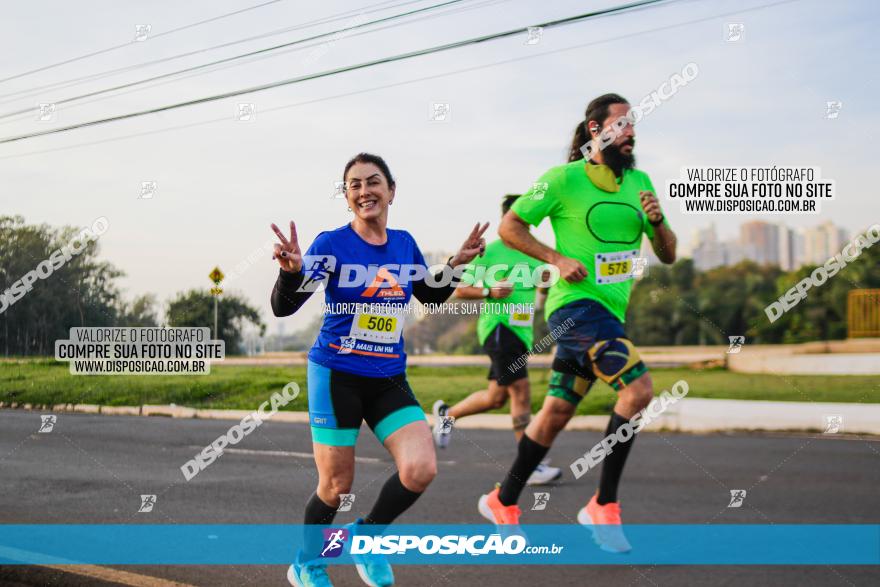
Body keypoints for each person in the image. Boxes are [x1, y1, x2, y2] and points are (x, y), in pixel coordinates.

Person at [270, 152, 488, 587]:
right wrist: (291, 272)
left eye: (373, 182)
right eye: (354, 185)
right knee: (336, 485)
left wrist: (458, 262)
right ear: (347, 197)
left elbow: (429, 294)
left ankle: (365, 539)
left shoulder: (404, 243)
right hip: (337, 374)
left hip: (388, 377)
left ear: (391, 191)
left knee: (421, 468)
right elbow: (284, 306)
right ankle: (308, 563)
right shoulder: (331, 244)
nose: (365, 191)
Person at [477, 94, 677, 553]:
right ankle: (603, 506)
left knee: (557, 412)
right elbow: (511, 227)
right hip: (574, 309)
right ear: (595, 130)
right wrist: (556, 258)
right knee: (639, 390)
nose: (631, 132)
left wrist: (659, 221)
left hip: (609, 312)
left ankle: (502, 499)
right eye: (622, 124)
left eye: (633, 124)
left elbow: (667, 254)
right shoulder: (561, 180)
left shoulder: (640, 182)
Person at [431, 194, 561, 485]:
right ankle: (528, 466)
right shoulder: (490, 253)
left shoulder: (536, 254)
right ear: (507, 221)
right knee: (522, 392)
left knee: (497, 397)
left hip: (521, 332)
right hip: (499, 329)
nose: (525, 224)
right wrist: (490, 291)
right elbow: (460, 289)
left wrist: (547, 290)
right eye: (520, 219)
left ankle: (446, 414)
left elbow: (543, 289)